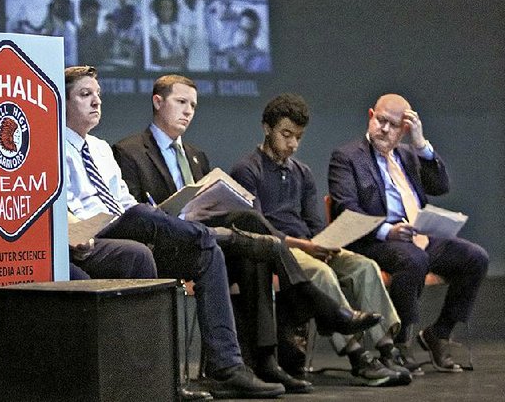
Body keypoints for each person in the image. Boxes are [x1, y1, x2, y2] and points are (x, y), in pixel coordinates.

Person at [111, 74, 382, 393]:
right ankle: (320, 306)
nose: (188, 111)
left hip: (205, 242)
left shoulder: (197, 156)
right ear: (158, 102)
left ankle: (266, 363)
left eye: (194, 105)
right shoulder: (129, 151)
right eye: (181, 102)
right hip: (165, 248)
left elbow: (206, 208)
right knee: (252, 232)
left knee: (254, 242)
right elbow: (134, 215)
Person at [64, 66, 286, 399]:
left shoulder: (100, 149)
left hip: (128, 226)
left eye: (98, 95)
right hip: (91, 235)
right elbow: (58, 205)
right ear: (60, 101)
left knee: (205, 254)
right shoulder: (49, 147)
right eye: (85, 95)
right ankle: (212, 235)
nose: (96, 102)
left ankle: (226, 369)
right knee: (144, 216)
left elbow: (121, 198)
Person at [231, 93, 410, 386]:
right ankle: (357, 357)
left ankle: (387, 348)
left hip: (309, 246)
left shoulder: (302, 172)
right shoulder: (247, 170)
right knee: (321, 273)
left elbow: (314, 223)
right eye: (285, 135)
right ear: (267, 128)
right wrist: (307, 247)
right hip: (279, 251)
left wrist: (327, 242)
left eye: (298, 137)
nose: (292, 144)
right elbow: (258, 230)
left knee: (364, 266)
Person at [328, 94, 489, 373]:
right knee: (413, 258)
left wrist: (420, 143)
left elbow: (440, 186)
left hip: (417, 236)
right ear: (370, 116)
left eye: (393, 125)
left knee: (475, 257)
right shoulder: (347, 157)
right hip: (373, 240)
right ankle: (401, 343)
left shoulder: (408, 155)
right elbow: (346, 209)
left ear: (403, 129)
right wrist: (388, 231)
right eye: (380, 121)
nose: (385, 129)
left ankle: (438, 333)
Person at [148, 0, 190, 70]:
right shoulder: (152, 31)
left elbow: (186, 57)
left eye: (169, 8)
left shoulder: (180, 29)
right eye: (163, 8)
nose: (166, 11)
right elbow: (155, 60)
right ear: (157, 10)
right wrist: (175, 61)